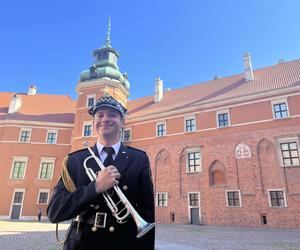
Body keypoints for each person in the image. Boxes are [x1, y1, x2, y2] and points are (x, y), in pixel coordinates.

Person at [47, 93, 155, 250]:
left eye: (112, 115)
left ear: (122, 122)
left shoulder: (139, 159)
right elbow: (55, 212)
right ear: (94, 123)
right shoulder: (75, 160)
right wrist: (95, 187)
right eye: (100, 115)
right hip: (82, 243)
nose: (105, 119)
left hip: (124, 243)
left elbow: (148, 215)